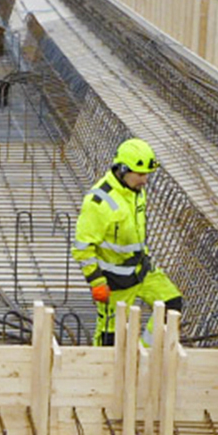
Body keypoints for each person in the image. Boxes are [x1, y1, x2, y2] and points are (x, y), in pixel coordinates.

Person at [72, 138, 182, 346]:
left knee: (172, 304)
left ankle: (142, 355)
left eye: (147, 174)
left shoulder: (136, 193)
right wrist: (97, 282)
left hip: (142, 270)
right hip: (115, 282)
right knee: (110, 339)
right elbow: (82, 248)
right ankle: (105, 373)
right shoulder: (99, 202)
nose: (145, 180)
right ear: (122, 170)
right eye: (140, 174)